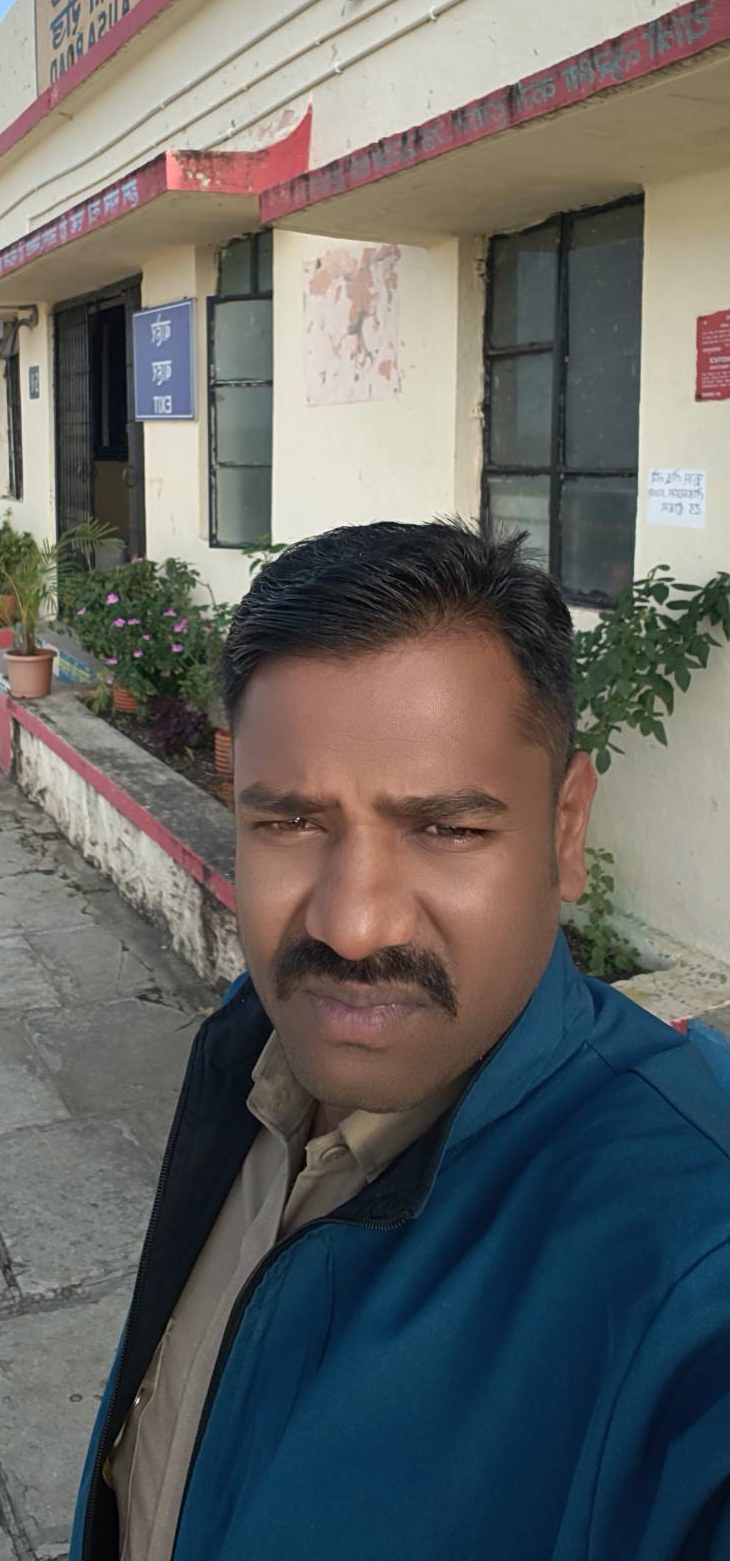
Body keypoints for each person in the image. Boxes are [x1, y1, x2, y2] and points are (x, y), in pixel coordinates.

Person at [71, 521, 730, 1561]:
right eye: (291, 823)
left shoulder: (690, 1244)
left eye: (448, 829)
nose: (352, 925)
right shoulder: (249, 1049)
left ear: (565, 829)